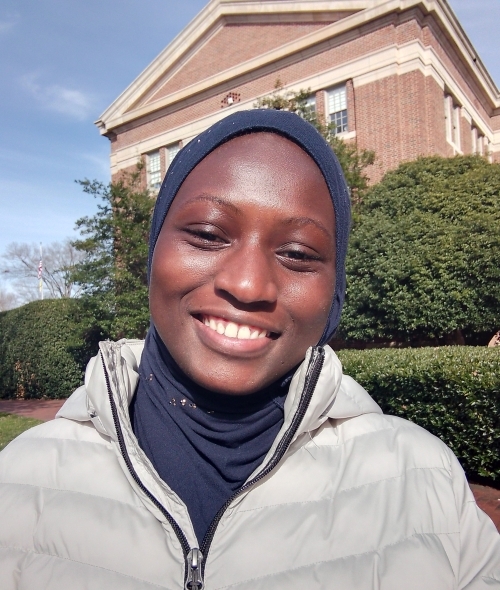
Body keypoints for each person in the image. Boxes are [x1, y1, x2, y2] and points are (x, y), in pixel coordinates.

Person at [0, 110, 499, 590]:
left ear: (334, 294)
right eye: (209, 234)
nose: (247, 284)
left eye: (298, 254)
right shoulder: (19, 483)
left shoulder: (423, 484)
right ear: (154, 255)